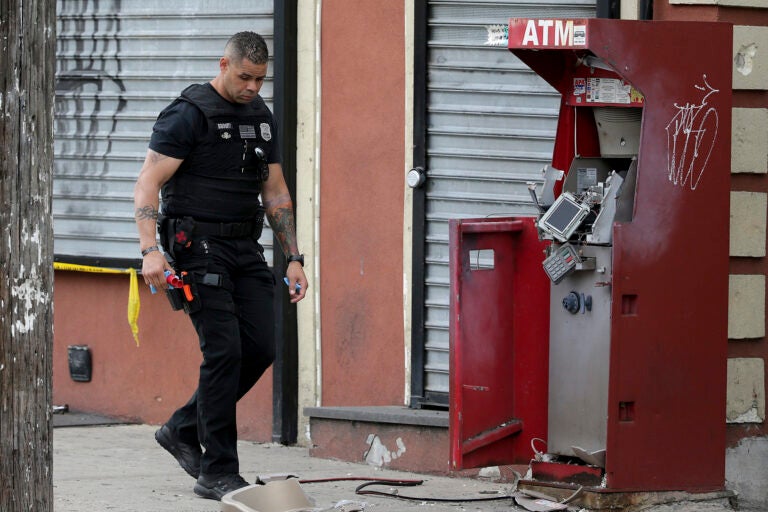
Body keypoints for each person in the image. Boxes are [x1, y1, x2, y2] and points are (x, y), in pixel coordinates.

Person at [133, 31, 307, 501]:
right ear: (224, 64)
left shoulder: (259, 116)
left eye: (260, 79)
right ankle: (218, 471)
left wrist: (293, 257)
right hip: (197, 247)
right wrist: (151, 250)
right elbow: (148, 182)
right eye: (245, 77)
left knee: (261, 347)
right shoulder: (188, 113)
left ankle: (182, 429)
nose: (252, 87)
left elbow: (276, 191)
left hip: (244, 248)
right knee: (224, 351)